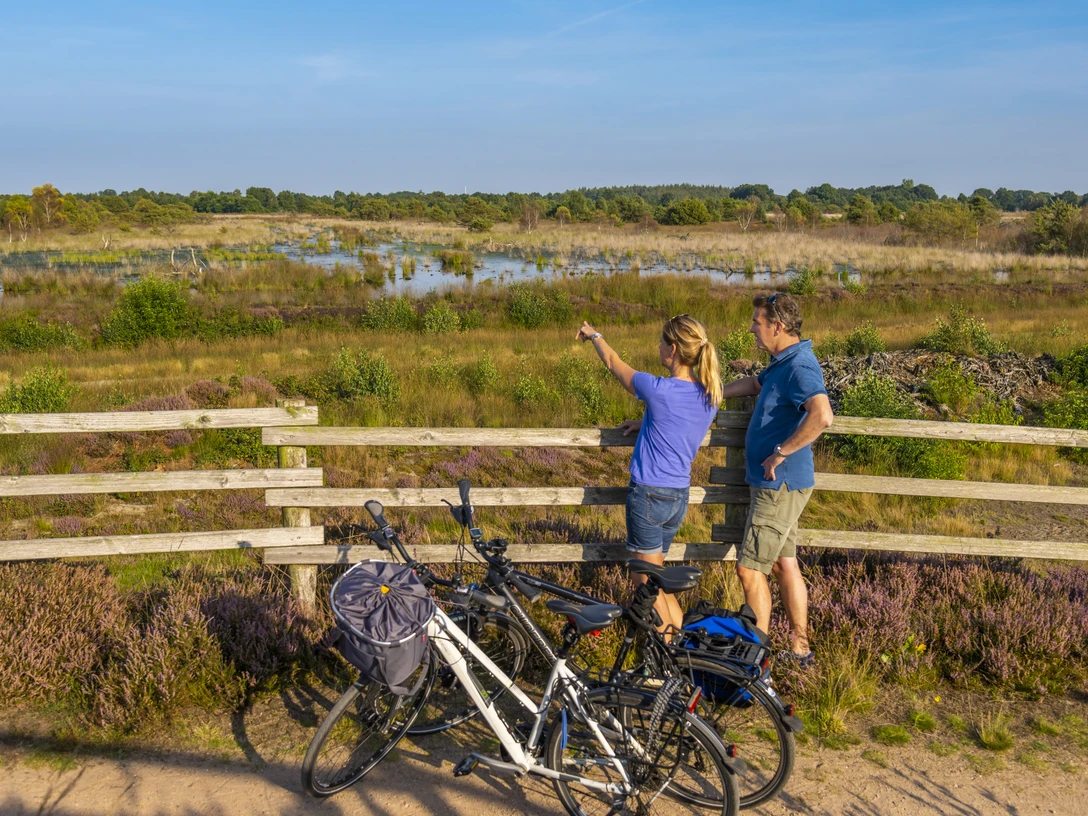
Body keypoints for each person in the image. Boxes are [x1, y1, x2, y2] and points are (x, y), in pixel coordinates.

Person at [577, 314, 723, 637]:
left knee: (647, 587)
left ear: (672, 350)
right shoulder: (709, 397)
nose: (658, 347)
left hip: (648, 496)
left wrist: (594, 334)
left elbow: (614, 363)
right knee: (658, 580)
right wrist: (645, 424)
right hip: (677, 499)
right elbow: (678, 425)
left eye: (661, 342)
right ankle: (681, 651)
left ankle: (667, 660)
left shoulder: (657, 389)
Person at [719, 293, 833, 667]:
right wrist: (715, 392)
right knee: (786, 565)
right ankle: (800, 649)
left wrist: (781, 451)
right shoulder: (782, 361)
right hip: (782, 484)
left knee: (749, 568)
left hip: (778, 485)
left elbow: (822, 416)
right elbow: (755, 385)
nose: (753, 328)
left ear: (777, 326)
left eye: (757, 322)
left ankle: (755, 663)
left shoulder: (800, 366)